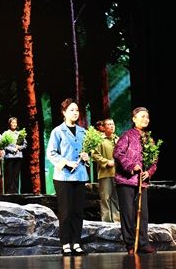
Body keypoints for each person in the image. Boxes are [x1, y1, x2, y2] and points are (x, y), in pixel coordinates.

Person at [46, 98, 89, 256]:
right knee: (66, 212)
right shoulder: (57, 131)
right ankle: (65, 244)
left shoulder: (83, 132)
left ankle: (76, 243)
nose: (75, 113)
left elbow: (87, 152)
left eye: (77, 110)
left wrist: (86, 157)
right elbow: (51, 153)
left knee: (78, 212)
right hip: (63, 177)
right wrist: (66, 162)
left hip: (80, 175)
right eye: (71, 110)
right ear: (64, 112)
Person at [114, 107, 159, 254]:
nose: (145, 119)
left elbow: (154, 161)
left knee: (143, 213)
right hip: (126, 180)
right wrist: (132, 166)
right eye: (142, 116)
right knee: (128, 213)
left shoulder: (149, 140)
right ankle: (130, 244)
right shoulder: (126, 135)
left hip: (141, 182)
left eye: (147, 117)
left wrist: (149, 172)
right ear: (134, 119)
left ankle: (143, 243)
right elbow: (118, 153)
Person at [90, 117, 120, 223]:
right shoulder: (100, 140)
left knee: (116, 198)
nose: (112, 126)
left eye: (113, 124)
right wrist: (106, 162)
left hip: (117, 174)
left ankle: (117, 221)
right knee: (105, 198)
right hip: (105, 173)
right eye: (109, 124)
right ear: (104, 127)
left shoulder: (118, 139)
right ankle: (106, 222)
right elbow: (94, 154)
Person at [1, 117, 27, 194]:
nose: (14, 124)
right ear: (9, 124)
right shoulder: (6, 133)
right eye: (13, 122)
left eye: (15, 123)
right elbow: (3, 145)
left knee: (16, 176)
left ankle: (15, 193)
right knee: (9, 175)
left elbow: (25, 144)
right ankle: (8, 193)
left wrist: (19, 147)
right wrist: (12, 149)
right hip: (9, 157)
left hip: (18, 157)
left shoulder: (20, 134)